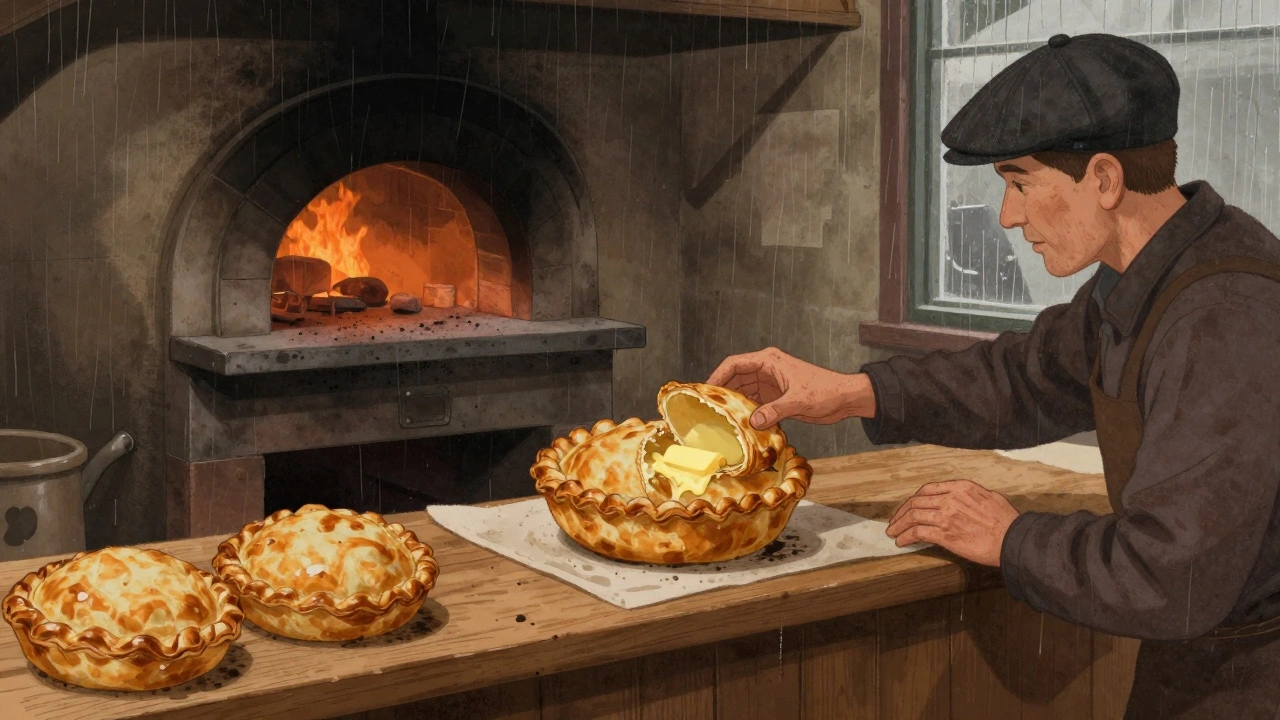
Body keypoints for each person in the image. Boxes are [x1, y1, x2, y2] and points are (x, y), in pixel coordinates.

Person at [708, 33, 1280, 719]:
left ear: (1103, 178)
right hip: (1199, 667)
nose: (1007, 216)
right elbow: (1023, 380)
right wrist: (852, 393)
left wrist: (1010, 538)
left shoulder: (1223, 315)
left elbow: (1171, 575)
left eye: (1019, 182)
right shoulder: (1152, 273)